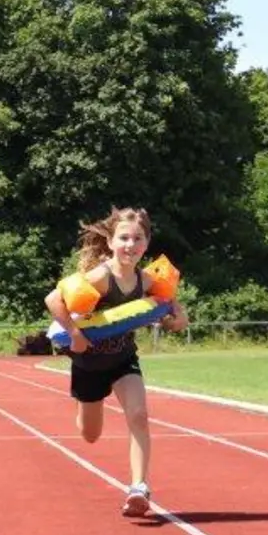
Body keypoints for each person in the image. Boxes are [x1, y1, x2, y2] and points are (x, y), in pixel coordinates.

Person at [43, 207, 188, 516]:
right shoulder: (100, 277)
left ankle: (139, 487)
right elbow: (53, 300)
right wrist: (74, 333)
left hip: (123, 359)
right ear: (110, 241)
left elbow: (174, 309)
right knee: (90, 434)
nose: (130, 245)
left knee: (139, 415)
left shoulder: (147, 280)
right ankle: (84, 405)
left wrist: (176, 319)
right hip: (88, 365)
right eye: (123, 238)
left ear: (147, 244)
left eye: (138, 239)